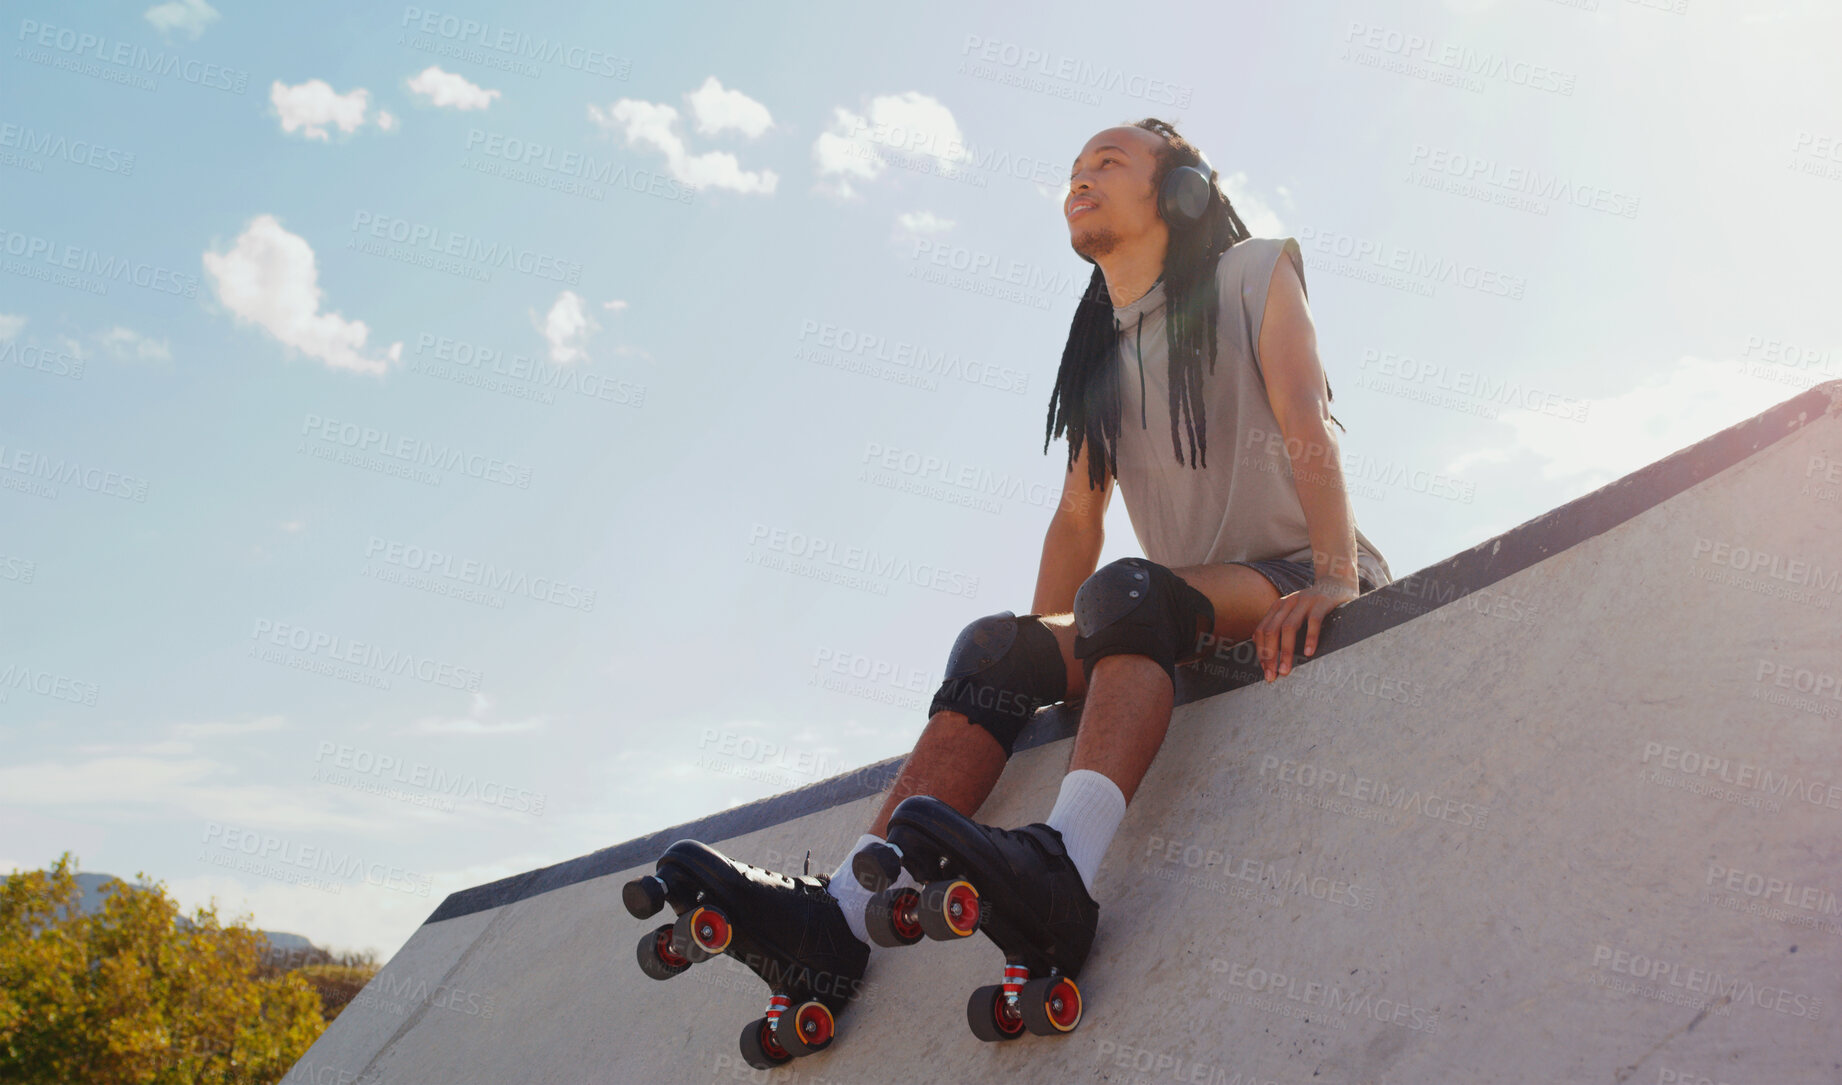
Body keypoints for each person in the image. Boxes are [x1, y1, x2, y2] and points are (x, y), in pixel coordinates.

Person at [690, 116, 1392, 1047]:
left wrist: (1339, 575)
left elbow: (1306, 414)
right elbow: (1077, 520)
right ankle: (839, 920)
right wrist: (1034, 657)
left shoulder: (1255, 272)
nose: (1081, 179)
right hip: (1165, 605)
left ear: (1179, 192)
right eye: (1072, 170)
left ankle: (1062, 871)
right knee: (995, 646)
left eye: (1109, 162)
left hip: (1290, 574)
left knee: (1129, 593)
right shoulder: (1100, 345)